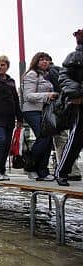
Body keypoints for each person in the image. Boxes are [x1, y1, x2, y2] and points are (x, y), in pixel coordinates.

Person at [22, 52, 58, 181]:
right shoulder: (32, 75)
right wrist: (47, 95)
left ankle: (42, 170)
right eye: (42, 60)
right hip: (32, 110)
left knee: (48, 140)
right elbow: (28, 96)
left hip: (45, 111)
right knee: (43, 137)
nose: (45, 62)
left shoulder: (47, 75)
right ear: (36, 61)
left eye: (47, 60)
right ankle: (30, 165)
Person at [46, 57, 81, 181]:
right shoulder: (60, 70)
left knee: (61, 139)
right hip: (67, 107)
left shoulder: (51, 72)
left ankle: (65, 171)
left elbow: (60, 87)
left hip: (57, 108)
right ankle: (72, 170)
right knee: (67, 139)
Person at [55, 28, 83, 186]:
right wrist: (76, 94)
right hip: (80, 102)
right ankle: (62, 171)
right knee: (76, 139)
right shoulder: (74, 56)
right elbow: (64, 77)